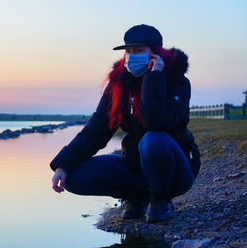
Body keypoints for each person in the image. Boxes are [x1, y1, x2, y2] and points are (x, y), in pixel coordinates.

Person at [49, 24, 201, 223]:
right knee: (75, 176)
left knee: (153, 139)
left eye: (138, 51)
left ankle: (160, 199)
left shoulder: (177, 82)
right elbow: (96, 130)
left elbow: (155, 122)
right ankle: (136, 196)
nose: (131, 56)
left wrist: (154, 76)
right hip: (135, 166)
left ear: (155, 53)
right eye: (128, 51)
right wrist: (63, 165)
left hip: (175, 171)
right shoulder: (120, 85)